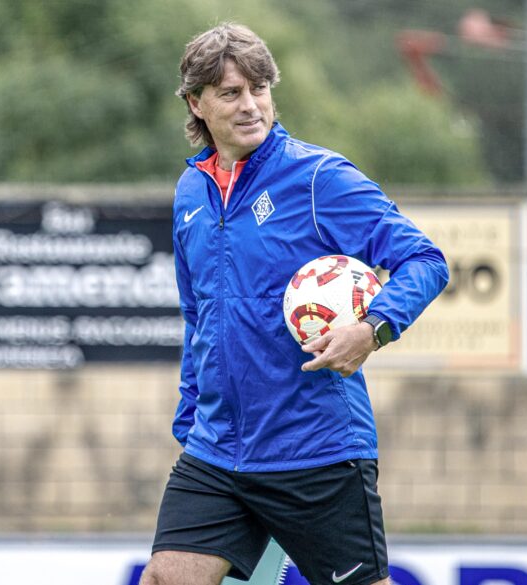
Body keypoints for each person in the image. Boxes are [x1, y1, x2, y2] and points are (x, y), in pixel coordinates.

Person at [140, 23, 449, 585]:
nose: (251, 105)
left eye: (259, 88)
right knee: (165, 576)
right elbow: (199, 316)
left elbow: (425, 260)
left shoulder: (318, 179)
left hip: (317, 451)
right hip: (218, 452)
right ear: (196, 103)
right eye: (231, 93)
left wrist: (372, 328)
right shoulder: (191, 193)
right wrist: (191, 415)